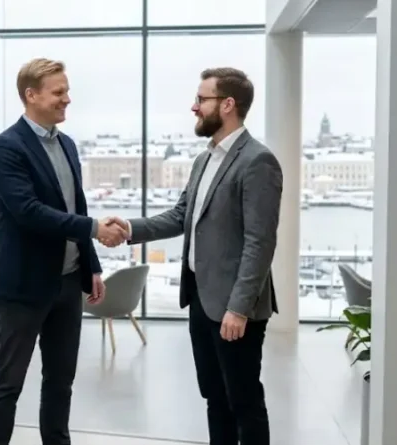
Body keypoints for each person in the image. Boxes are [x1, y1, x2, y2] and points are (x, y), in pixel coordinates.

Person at [106, 67, 282, 445]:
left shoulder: (257, 161)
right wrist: (130, 229)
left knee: (244, 400)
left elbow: (260, 242)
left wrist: (238, 308)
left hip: (236, 307)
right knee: (214, 397)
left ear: (228, 104)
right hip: (202, 300)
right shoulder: (205, 159)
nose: (194, 107)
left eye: (202, 99)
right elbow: (179, 216)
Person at [0, 57, 127, 445]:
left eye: (67, 91)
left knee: (61, 381)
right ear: (31, 95)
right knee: (8, 383)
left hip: (67, 283)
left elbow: (73, 205)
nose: (67, 99)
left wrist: (91, 264)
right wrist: (95, 229)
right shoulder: (7, 147)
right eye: (58, 92)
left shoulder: (67, 144)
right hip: (25, 286)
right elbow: (29, 213)